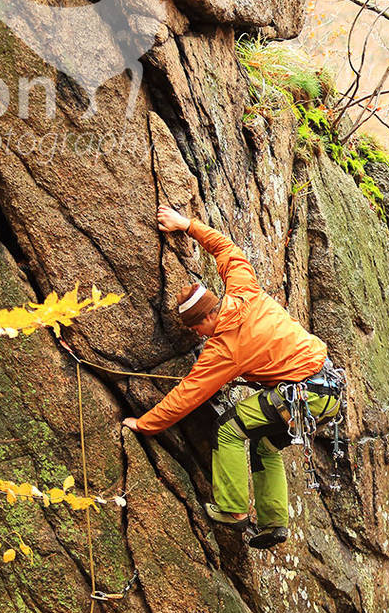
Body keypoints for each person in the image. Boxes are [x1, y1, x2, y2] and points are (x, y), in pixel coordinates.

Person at [123, 205, 341, 550]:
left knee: (228, 427)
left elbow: (188, 394)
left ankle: (232, 510)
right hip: (328, 392)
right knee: (264, 445)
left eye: (196, 326)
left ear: (207, 317)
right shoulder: (245, 290)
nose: (197, 334)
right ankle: (273, 523)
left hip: (301, 394)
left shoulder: (224, 349)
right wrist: (186, 224)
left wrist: (145, 425)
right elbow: (227, 250)